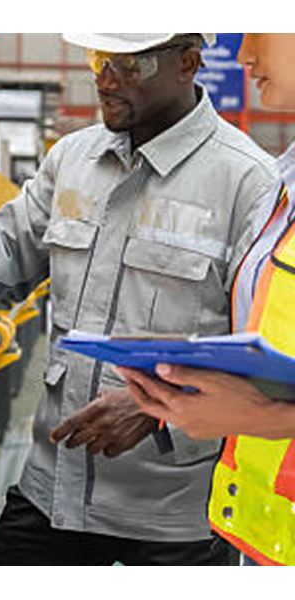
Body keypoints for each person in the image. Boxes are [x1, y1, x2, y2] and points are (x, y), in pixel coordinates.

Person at [0, 33, 280, 565]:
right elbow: (6, 253)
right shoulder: (72, 159)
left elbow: (265, 351)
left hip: (176, 513)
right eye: (98, 59)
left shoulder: (249, 183)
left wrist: (157, 407)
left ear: (187, 63)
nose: (104, 79)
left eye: (130, 65)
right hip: (54, 487)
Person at [119, 33, 295, 567]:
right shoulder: (282, 183)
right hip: (264, 536)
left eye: (260, 29)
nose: (243, 56)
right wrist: (192, 376)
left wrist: (267, 416)